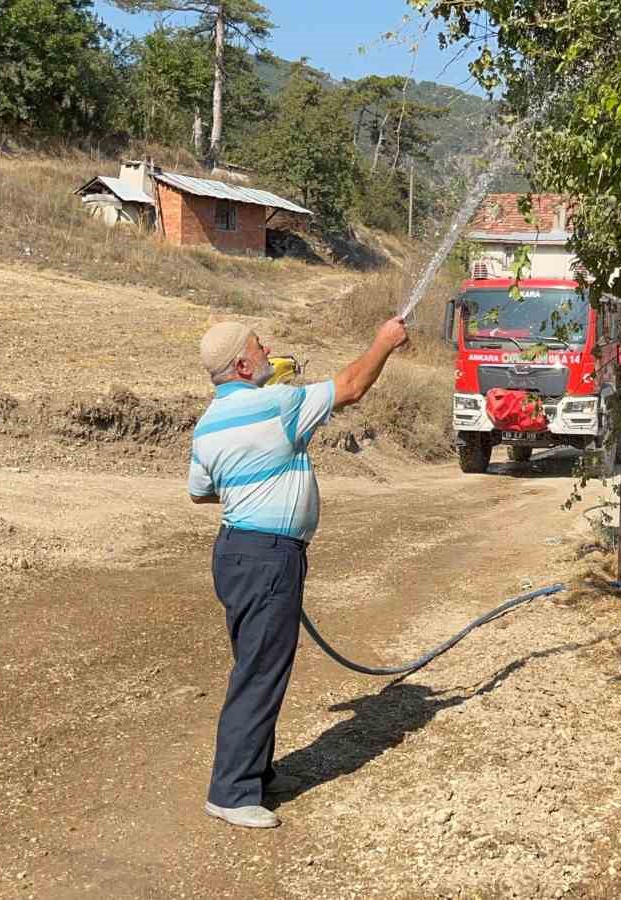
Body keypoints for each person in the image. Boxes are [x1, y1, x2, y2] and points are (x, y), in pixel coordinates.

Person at [188, 316, 409, 829]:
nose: (268, 347)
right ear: (242, 364)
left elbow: (200, 491)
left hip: (237, 552)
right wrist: (384, 342)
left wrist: (251, 481)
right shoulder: (276, 405)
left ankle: (257, 774)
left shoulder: (208, 423)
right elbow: (352, 387)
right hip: (267, 556)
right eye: (256, 345)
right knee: (260, 670)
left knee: (258, 661)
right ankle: (232, 792)